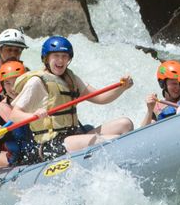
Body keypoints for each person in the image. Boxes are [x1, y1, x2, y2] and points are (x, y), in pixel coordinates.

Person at [8, 35, 135, 165]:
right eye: (56, 56)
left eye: (64, 56)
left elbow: (101, 98)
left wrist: (122, 88)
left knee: (126, 123)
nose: (61, 60)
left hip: (74, 136)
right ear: (46, 58)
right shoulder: (37, 82)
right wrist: (33, 115)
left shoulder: (71, 78)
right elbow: (14, 115)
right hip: (52, 145)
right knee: (113, 140)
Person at [141, 60, 180, 126]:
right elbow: (142, 131)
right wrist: (150, 109)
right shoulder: (156, 106)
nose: (178, 87)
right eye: (174, 83)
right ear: (163, 84)